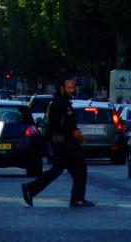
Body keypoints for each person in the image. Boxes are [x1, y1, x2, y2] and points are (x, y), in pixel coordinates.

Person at [21, 77, 94, 208]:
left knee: (58, 171)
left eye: (73, 87)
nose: (73, 90)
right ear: (62, 88)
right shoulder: (58, 103)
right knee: (79, 170)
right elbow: (54, 125)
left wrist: (75, 133)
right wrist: (72, 132)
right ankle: (77, 199)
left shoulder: (64, 102)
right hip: (63, 144)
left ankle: (30, 189)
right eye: (69, 88)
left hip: (66, 143)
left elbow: (66, 123)